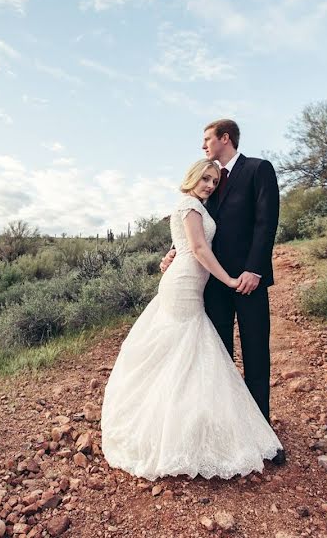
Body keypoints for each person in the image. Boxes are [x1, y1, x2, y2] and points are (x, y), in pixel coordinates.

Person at [100, 158, 283, 481]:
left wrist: (172, 251)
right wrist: (228, 279)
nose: (210, 185)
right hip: (185, 283)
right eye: (206, 179)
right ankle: (170, 429)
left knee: (187, 349)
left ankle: (195, 422)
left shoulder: (197, 205)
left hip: (192, 282)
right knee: (180, 347)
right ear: (192, 178)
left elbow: (189, 241)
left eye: (214, 181)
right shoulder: (189, 205)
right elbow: (197, 247)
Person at [161, 119, 285, 465]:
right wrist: (175, 249)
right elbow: (195, 226)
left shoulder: (258, 169)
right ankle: (223, 432)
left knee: (256, 355)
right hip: (212, 286)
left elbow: (266, 222)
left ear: (224, 139)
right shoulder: (208, 182)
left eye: (207, 139)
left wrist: (255, 269)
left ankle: (263, 434)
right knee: (218, 358)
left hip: (249, 281)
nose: (203, 146)